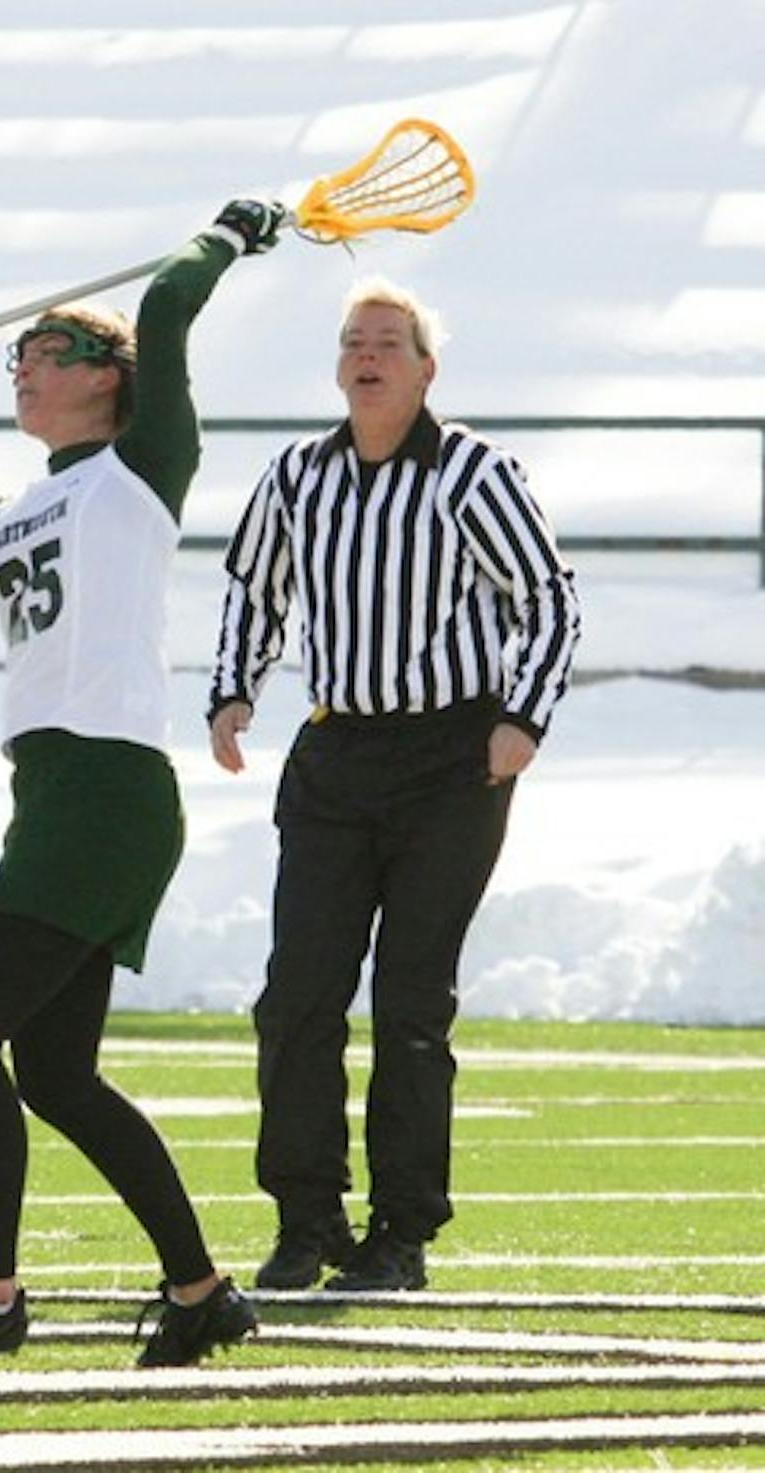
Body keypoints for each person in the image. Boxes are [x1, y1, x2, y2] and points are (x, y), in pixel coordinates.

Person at [0, 201, 284, 1371]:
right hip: (53, 799)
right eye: (20, 357)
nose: (25, 372)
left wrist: (224, 237)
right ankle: (198, 1293)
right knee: (51, 1072)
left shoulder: (142, 468)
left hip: (105, 798)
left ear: (110, 379)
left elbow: (165, 306)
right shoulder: (23, 507)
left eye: (49, 354)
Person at [207, 278, 582, 1292]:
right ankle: (303, 1218)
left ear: (425, 368)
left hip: (448, 762)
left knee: (409, 1003)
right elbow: (253, 588)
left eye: (387, 341)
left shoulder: (470, 472)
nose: (366, 356)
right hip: (333, 755)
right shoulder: (296, 475)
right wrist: (231, 693)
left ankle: (400, 1233)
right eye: (351, 342)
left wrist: (521, 719)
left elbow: (546, 597)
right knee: (295, 997)